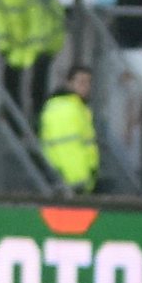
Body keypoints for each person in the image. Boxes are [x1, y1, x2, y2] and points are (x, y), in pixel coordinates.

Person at [38, 65, 98, 193]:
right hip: (72, 180)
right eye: (81, 82)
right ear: (69, 83)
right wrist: (79, 178)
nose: (86, 87)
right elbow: (66, 148)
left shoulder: (78, 108)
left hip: (77, 179)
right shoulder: (65, 108)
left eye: (88, 82)